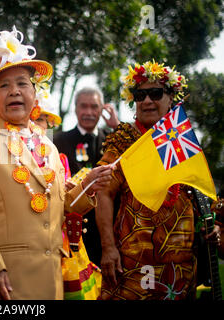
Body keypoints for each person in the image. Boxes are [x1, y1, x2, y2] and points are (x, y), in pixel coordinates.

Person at [0, 26, 115, 300]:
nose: (14, 91)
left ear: (34, 94)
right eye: (5, 85)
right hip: (2, 284)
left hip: (50, 281)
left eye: (22, 84)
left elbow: (58, 207)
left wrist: (88, 185)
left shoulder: (48, 145)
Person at [96, 60, 221, 300]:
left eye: (155, 93)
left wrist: (212, 226)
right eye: (140, 95)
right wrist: (108, 248)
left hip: (180, 270)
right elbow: (103, 192)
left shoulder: (182, 139)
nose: (146, 101)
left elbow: (202, 194)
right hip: (133, 267)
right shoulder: (124, 140)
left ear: (171, 97)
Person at [34, 87, 102, 300]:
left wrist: (83, 189)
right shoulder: (59, 142)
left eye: (43, 120)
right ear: (75, 109)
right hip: (34, 247)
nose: (37, 126)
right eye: (33, 119)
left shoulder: (57, 156)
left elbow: (66, 202)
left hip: (76, 241)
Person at [54, 87, 120, 266]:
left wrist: (117, 126)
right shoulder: (58, 141)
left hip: (108, 234)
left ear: (102, 109)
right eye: (83, 106)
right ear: (75, 108)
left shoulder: (113, 139)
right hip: (73, 233)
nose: (89, 112)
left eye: (94, 107)